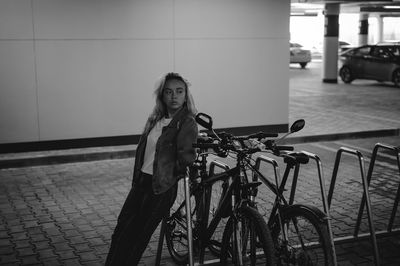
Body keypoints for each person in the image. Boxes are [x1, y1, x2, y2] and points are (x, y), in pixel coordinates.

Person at [105, 72, 198, 265]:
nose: (174, 96)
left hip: (161, 188)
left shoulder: (186, 121)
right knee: (121, 230)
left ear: (185, 94)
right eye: (169, 92)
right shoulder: (156, 118)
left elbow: (186, 157)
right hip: (141, 183)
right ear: (162, 95)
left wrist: (172, 175)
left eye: (179, 91)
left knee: (136, 238)